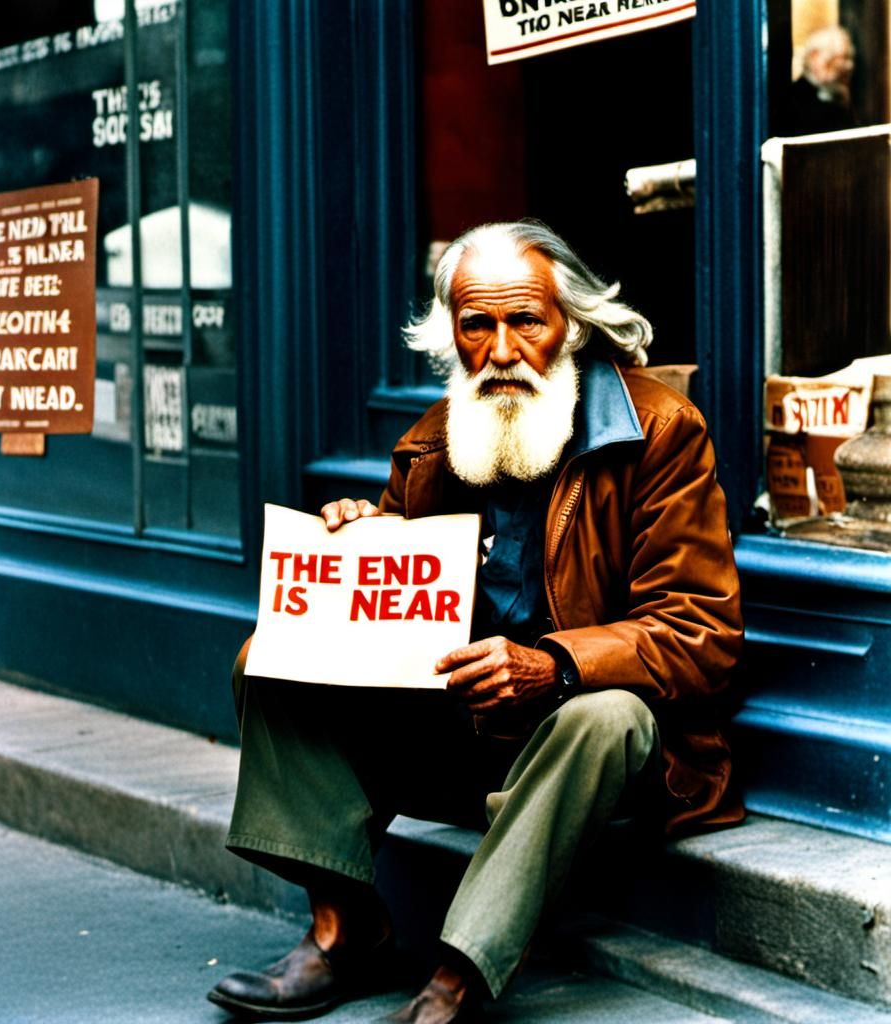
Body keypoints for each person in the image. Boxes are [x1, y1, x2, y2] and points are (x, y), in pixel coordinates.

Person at [210, 220, 743, 1023]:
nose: (500, 350)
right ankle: (345, 927)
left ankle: (460, 973)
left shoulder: (659, 431)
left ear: (572, 325)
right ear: (450, 334)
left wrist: (554, 666)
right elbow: (393, 622)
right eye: (476, 325)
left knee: (605, 715)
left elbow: (702, 632)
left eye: (525, 321)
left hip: (601, 757)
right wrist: (364, 545)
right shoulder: (432, 442)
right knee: (273, 655)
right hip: (463, 738)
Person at [781, 25, 857, 137]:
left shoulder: (839, 97)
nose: (848, 66)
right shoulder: (793, 100)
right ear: (815, 58)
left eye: (848, 58)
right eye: (841, 57)